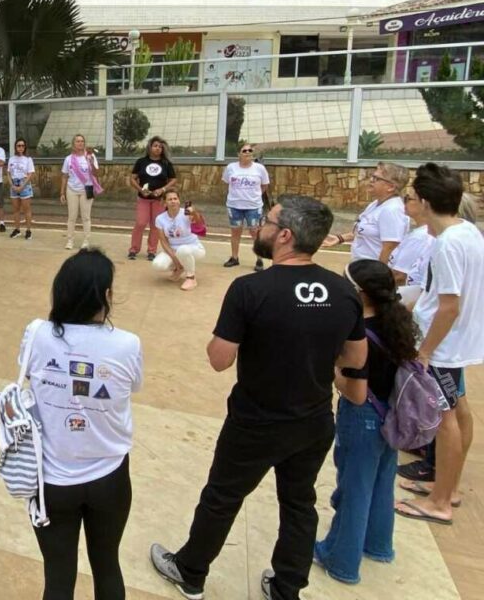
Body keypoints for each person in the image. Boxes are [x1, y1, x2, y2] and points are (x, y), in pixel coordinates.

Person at [150, 194, 367, 600]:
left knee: (222, 496)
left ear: (284, 235)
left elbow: (220, 359)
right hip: (314, 420)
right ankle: (286, 589)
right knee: (300, 504)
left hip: (256, 421)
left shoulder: (250, 289)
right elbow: (355, 358)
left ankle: (190, 572)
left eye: (267, 222)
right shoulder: (343, 290)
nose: (259, 228)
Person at [19, 249, 141, 599]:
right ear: (106, 296)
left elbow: (28, 373)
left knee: (58, 577)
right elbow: (132, 386)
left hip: (52, 481)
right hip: (110, 478)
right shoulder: (127, 344)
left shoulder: (36, 333)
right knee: (107, 566)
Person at [313, 259, 418, 585]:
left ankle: (341, 559)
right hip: (392, 415)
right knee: (381, 482)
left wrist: (334, 373)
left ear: (360, 293)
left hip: (363, 418)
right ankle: (377, 544)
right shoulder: (396, 322)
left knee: (354, 488)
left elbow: (355, 393)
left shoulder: (358, 334)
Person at [393, 164, 484, 527]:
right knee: (458, 409)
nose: (407, 203)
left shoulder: (447, 244)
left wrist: (426, 351)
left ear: (426, 203)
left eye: (411, 197)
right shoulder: (468, 233)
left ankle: (441, 501)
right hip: (455, 343)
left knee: (445, 417)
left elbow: (449, 305)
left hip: (444, 346)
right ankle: (448, 485)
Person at [322, 162, 408, 263]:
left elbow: (389, 247)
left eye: (377, 179)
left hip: (374, 272)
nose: (371, 181)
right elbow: (366, 231)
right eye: (372, 176)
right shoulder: (376, 204)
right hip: (361, 268)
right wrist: (340, 238)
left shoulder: (392, 210)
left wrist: (380, 273)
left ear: (391, 187)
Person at [222, 144, 270, 270]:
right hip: (234, 206)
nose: (248, 152)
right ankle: (234, 258)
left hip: (253, 206)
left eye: (250, 150)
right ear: (239, 154)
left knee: (255, 232)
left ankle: (259, 260)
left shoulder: (259, 168)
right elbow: (227, 183)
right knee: (235, 232)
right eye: (244, 150)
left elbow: (264, 185)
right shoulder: (231, 167)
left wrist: (255, 195)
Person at [128, 136, 176, 261]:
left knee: (155, 225)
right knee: (140, 223)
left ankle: (151, 250)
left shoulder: (166, 163)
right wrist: (140, 190)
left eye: (160, 147)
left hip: (159, 199)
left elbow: (173, 179)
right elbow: (132, 178)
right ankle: (134, 249)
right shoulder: (141, 162)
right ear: (149, 147)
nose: (158, 148)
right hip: (143, 198)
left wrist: (163, 190)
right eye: (155, 146)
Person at [152, 192, 206, 291]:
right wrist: (176, 261)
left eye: (175, 198)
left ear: (179, 200)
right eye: (170, 199)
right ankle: (179, 269)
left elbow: (201, 228)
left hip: (193, 248)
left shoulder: (187, 213)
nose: (173, 201)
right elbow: (164, 241)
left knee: (183, 250)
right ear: (165, 203)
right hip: (174, 249)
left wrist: (194, 213)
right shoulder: (160, 219)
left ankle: (191, 278)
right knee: (158, 264)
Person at [60, 134, 99, 251]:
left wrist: (91, 161)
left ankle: (86, 240)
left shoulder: (90, 157)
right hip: (71, 190)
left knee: (86, 217)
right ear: (73, 144)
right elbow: (64, 176)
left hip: (87, 190)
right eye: (77, 141)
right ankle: (70, 240)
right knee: (72, 217)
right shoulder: (68, 159)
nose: (80, 143)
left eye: (82, 141)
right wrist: (62, 192)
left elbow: (97, 173)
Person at [7, 138, 35, 240]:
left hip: (24, 184)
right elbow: (9, 173)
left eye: (23, 146)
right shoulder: (12, 159)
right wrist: (12, 185)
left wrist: (22, 186)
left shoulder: (28, 159)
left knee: (26, 209)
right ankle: (17, 229)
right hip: (14, 184)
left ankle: (28, 230)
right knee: (16, 209)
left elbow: (30, 174)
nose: (21, 148)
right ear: (15, 147)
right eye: (19, 146)